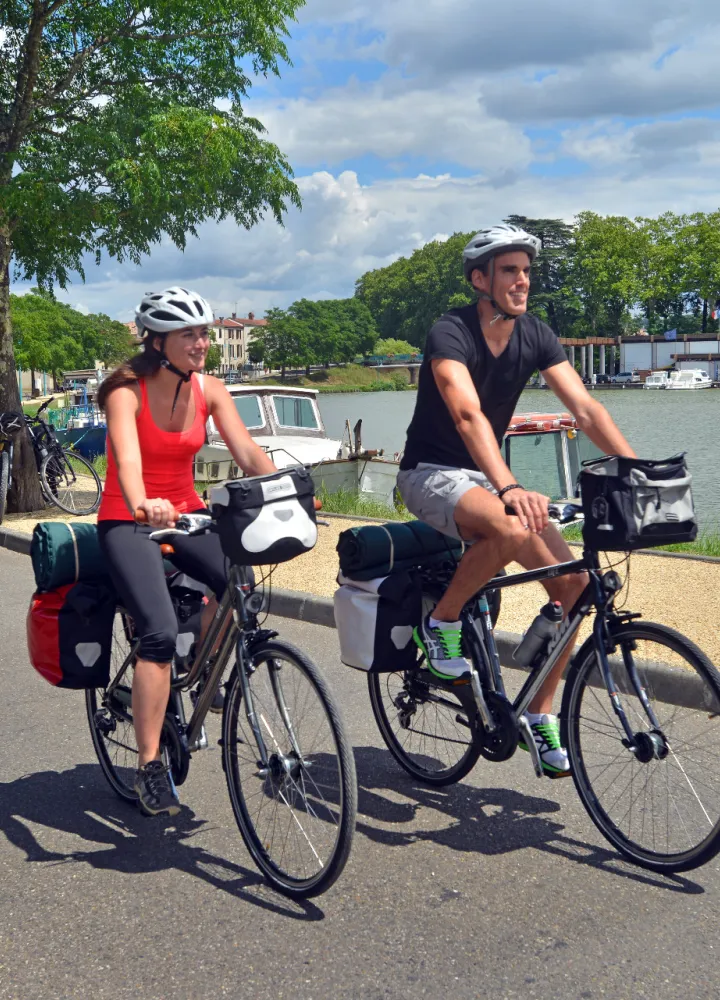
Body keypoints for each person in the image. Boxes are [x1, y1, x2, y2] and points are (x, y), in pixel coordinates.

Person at [396, 225, 636, 777]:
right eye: (509, 270)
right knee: (507, 525)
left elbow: (586, 408)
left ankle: (537, 710)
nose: (522, 280)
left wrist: (634, 467)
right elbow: (466, 413)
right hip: (430, 473)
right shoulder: (450, 332)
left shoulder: (535, 333)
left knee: (576, 589)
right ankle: (441, 621)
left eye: (526, 270)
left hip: (483, 478)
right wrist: (507, 486)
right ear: (480, 279)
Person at [96, 287, 277, 816]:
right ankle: (150, 764)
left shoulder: (210, 389)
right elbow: (128, 463)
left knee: (240, 584)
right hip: (128, 520)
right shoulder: (124, 391)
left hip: (188, 513)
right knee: (155, 631)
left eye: (203, 333)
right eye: (189, 335)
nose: (202, 343)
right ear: (157, 342)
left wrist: (287, 487)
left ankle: (201, 671)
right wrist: (141, 503)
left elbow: (247, 452)